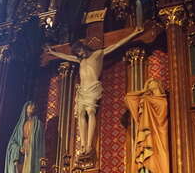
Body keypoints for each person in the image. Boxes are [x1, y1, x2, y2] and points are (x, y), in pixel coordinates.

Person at [45, 26, 143, 154]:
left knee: (90, 112)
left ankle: (90, 144)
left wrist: (134, 33)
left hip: (92, 87)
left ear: (83, 47)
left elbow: (116, 45)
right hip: (82, 90)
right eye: (77, 53)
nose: (80, 54)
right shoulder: (80, 60)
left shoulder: (98, 54)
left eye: (80, 51)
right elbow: (65, 56)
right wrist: (53, 53)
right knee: (80, 114)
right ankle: (83, 145)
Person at [125, 78, 170, 173]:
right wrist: (142, 90)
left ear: (158, 84)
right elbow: (128, 97)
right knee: (146, 157)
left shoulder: (163, 100)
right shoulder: (145, 98)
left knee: (161, 157)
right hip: (146, 133)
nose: (150, 84)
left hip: (160, 132)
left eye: (152, 82)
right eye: (148, 83)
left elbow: (163, 113)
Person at [2, 101, 45, 173]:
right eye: (30, 107)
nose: (32, 108)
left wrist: (30, 150)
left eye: (34, 107)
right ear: (25, 109)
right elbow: (12, 144)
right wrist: (18, 149)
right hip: (21, 156)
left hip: (32, 154)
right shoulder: (19, 126)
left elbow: (39, 144)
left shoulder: (38, 124)